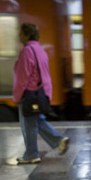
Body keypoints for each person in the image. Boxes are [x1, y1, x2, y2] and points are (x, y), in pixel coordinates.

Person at [13, 23, 69, 164]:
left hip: (29, 94)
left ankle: (31, 154)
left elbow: (22, 78)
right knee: (37, 120)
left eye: (20, 34)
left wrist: (17, 97)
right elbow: (44, 74)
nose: (19, 36)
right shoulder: (40, 50)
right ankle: (58, 140)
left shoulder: (26, 51)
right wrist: (47, 94)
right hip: (40, 93)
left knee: (29, 124)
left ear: (27, 35)